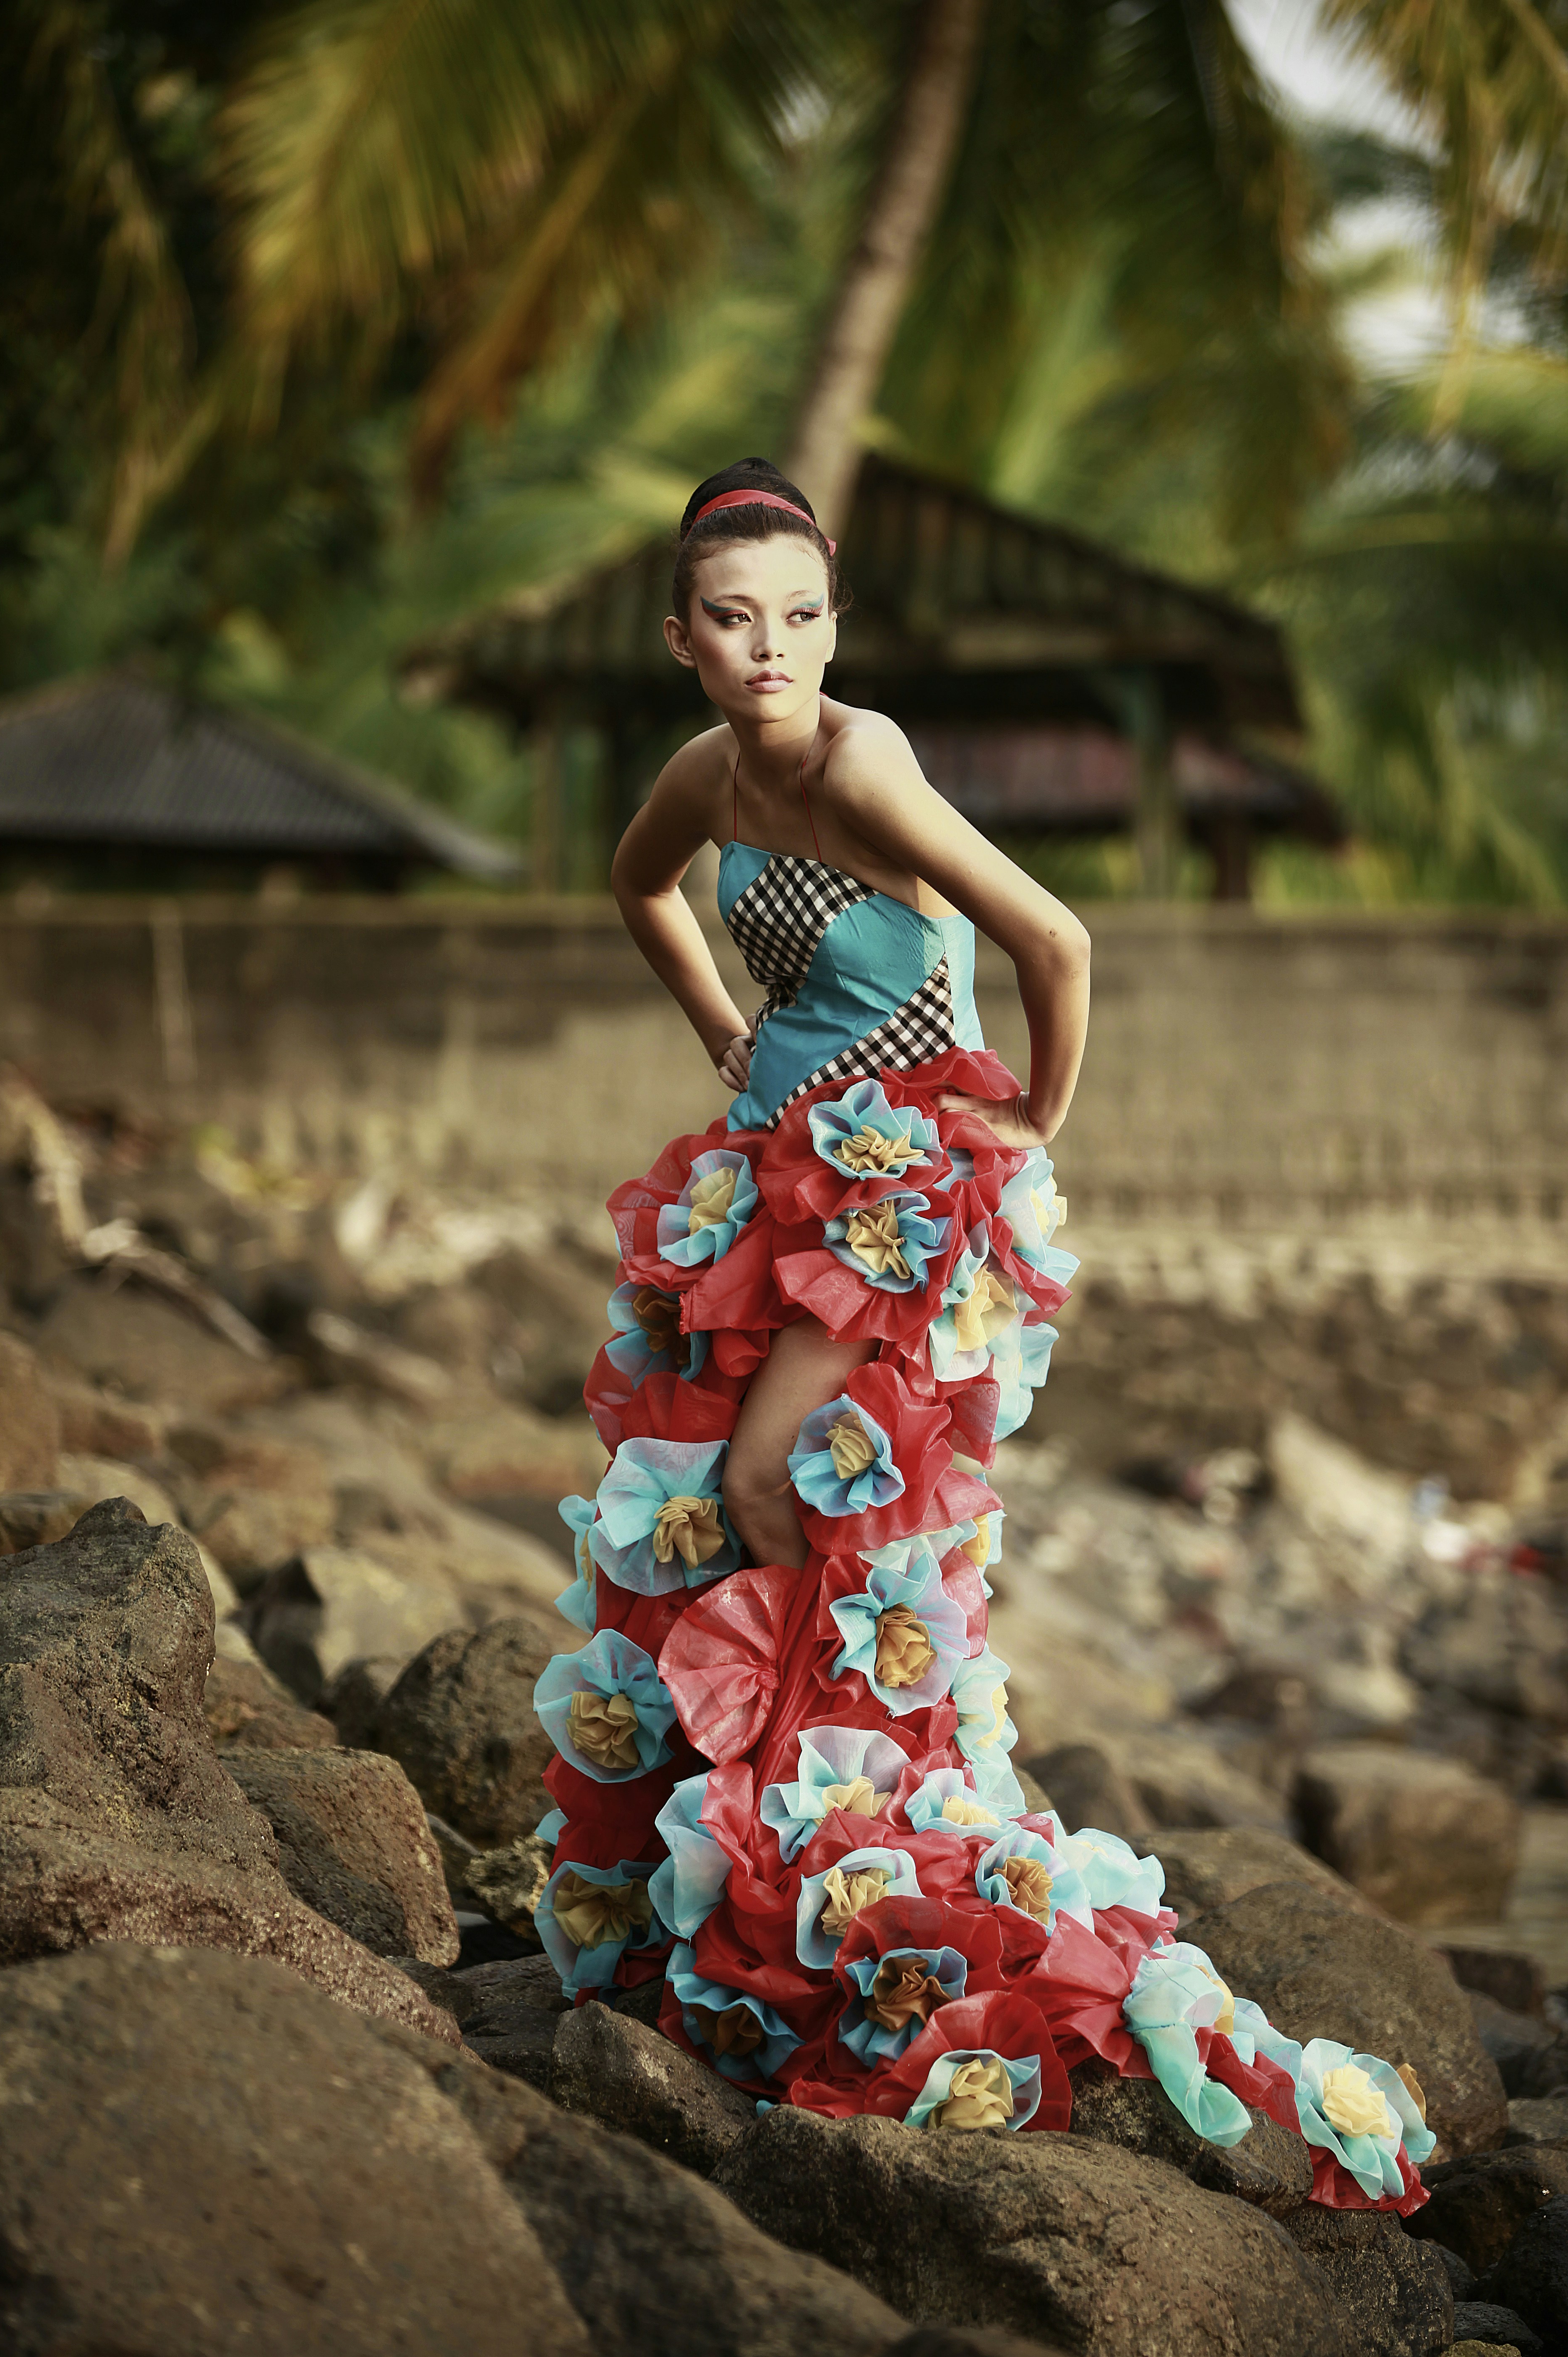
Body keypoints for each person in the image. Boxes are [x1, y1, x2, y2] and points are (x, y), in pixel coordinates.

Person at [527, 459, 1436, 2198]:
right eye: (734, 619)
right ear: (682, 640)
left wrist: (1033, 1124)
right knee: (738, 1522)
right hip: (770, 1180)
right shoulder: (702, 777)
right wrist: (728, 1031)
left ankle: (846, 1869)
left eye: (801, 614)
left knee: (776, 1485)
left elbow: (1056, 937)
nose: (770, 645)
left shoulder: (866, 761)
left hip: (897, 1195)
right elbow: (642, 888)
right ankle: (745, 1864)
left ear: (836, 625)